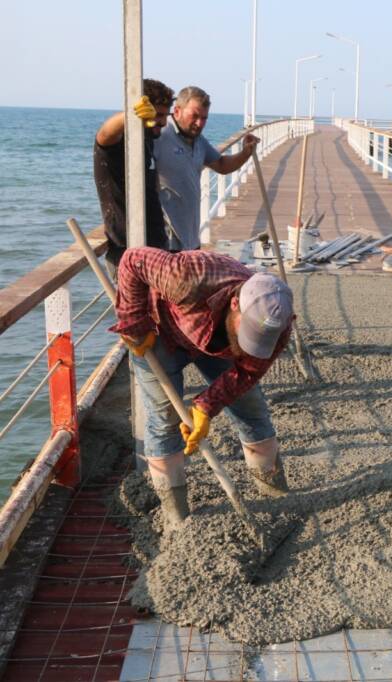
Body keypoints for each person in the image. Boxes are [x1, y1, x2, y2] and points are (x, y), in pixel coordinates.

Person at [110, 247, 295, 528]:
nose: (254, 342)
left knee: (251, 407)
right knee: (164, 419)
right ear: (235, 305)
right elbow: (132, 260)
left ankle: (274, 495)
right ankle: (177, 519)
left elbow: (248, 371)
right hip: (160, 331)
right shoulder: (187, 277)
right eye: (250, 333)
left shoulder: (278, 323)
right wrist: (135, 322)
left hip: (217, 345)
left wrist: (206, 406)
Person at [153, 86, 260, 251]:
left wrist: (246, 152)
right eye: (194, 116)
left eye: (204, 118)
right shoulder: (159, 136)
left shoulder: (198, 140)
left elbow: (222, 165)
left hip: (191, 239)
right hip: (166, 243)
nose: (199, 123)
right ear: (176, 111)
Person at [93, 78, 175, 277]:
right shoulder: (120, 143)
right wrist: (130, 115)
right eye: (157, 115)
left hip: (156, 247)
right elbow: (104, 136)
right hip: (128, 253)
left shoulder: (147, 140)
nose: (163, 122)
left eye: (166, 115)